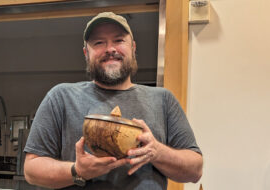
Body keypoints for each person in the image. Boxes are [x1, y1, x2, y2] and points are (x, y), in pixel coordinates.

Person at [24, 12, 203, 190]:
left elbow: (195, 170)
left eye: (118, 40)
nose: (110, 49)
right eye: (99, 43)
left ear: (133, 48)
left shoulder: (163, 100)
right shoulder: (61, 97)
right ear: (86, 53)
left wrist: (157, 151)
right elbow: (31, 170)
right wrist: (77, 171)